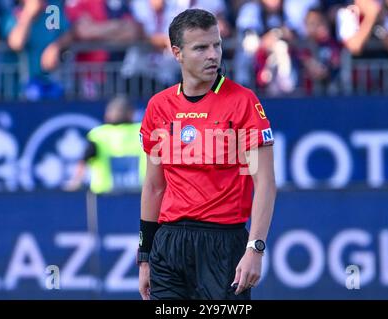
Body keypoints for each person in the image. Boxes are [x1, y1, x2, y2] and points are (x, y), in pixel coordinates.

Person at [138, 9, 276, 300]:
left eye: (216, 45)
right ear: (177, 53)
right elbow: (154, 186)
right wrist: (145, 256)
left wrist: (255, 248)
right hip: (169, 245)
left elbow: (265, 182)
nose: (213, 55)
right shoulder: (158, 107)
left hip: (224, 244)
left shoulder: (243, 102)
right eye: (201, 48)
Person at [66, 96, 146, 194]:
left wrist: (75, 182)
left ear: (108, 115)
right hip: (138, 195)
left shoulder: (98, 135)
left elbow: (84, 160)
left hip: (104, 198)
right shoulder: (143, 131)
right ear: (131, 114)